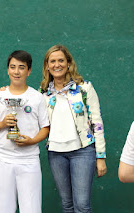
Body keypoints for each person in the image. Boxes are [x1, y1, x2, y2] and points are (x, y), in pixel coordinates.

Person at [40, 45, 107, 212]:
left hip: (83, 152)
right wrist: (5, 93)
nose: (57, 65)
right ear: (47, 66)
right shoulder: (42, 94)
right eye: (53, 61)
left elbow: (97, 122)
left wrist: (100, 156)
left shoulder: (84, 88)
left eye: (61, 60)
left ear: (68, 63)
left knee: (82, 206)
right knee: (67, 205)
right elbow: (23, 99)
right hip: (55, 153)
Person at [0, 50, 50, 213]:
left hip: (29, 160)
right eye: (13, 67)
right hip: (2, 159)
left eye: (21, 67)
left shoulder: (36, 97)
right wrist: (3, 123)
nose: (16, 72)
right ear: (8, 70)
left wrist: (31, 141)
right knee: (5, 209)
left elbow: (46, 127)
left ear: (29, 71)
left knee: (32, 209)